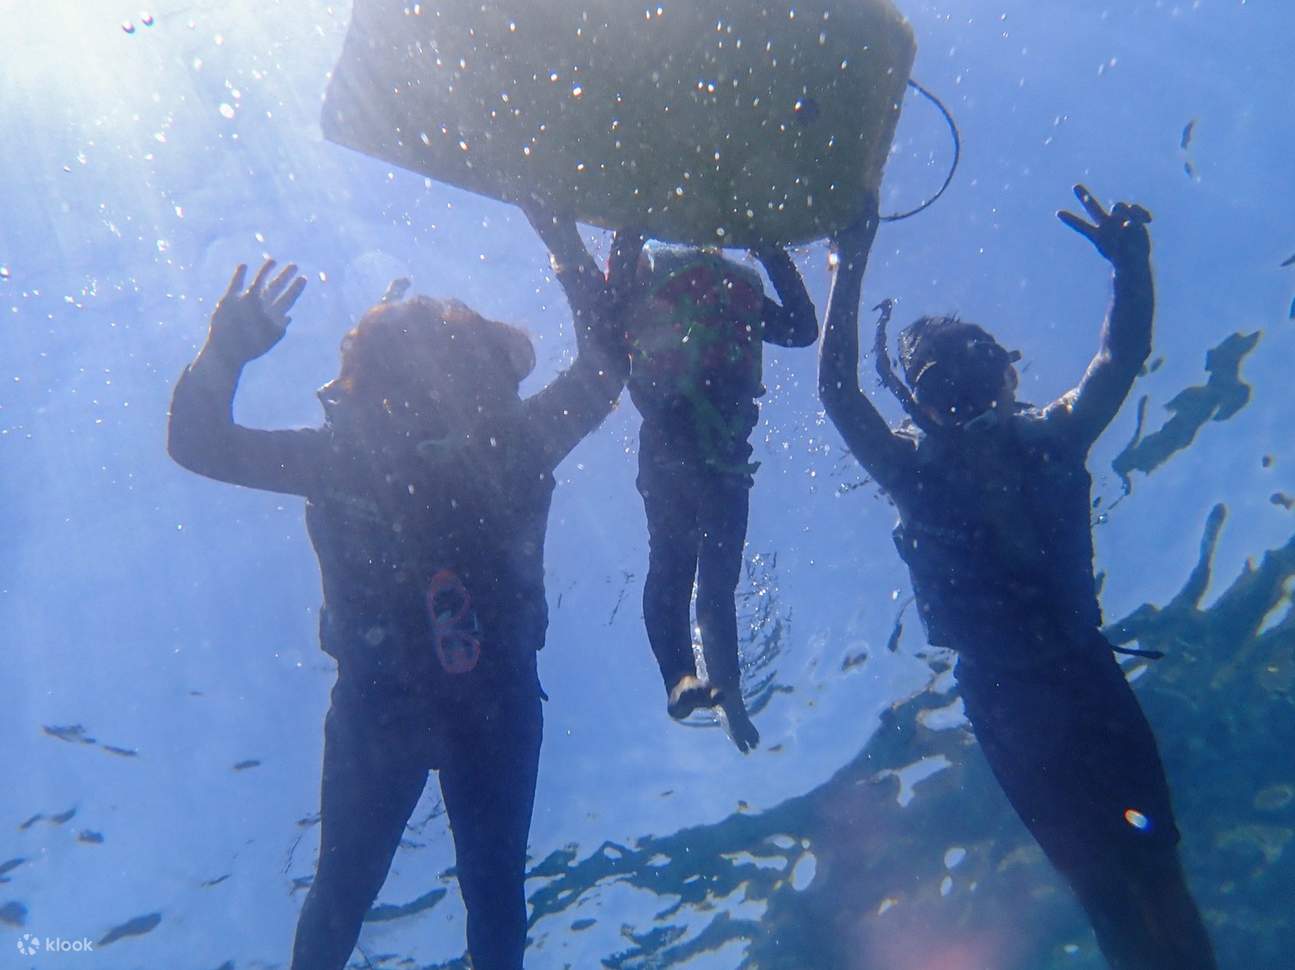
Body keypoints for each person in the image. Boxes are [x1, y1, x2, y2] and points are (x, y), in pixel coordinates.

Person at [167, 221, 641, 970]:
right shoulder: (353, 458)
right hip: (414, 707)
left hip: (450, 706)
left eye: (449, 383)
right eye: (406, 388)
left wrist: (566, 242)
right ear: (372, 395)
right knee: (403, 897)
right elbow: (605, 366)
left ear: (481, 385)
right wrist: (223, 350)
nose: (428, 413)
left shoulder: (496, 445)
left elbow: (606, 367)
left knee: (439, 898)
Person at [818, 184, 1217, 969]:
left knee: (1148, 875)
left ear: (1006, 373)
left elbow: (1117, 358)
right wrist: (849, 258)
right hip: (1024, 695)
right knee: (1116, 887)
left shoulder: (1044, 439)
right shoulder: (930, 469)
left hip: (1062, 683)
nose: (965, 397)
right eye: (941, 385)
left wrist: (1130, 269)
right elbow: (836, 394)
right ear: (922, 405)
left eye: (975, 370)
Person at [620, 243, 817, 752]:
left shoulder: (742, 284)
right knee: (678, 565)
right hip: (674, 440)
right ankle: (679, 677)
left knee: (715, 580)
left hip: (728, 455)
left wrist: (772, 254)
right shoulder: (656, 269)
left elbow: (801, 329)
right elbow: (614, 303)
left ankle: (726, 692)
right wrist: (628, 236)